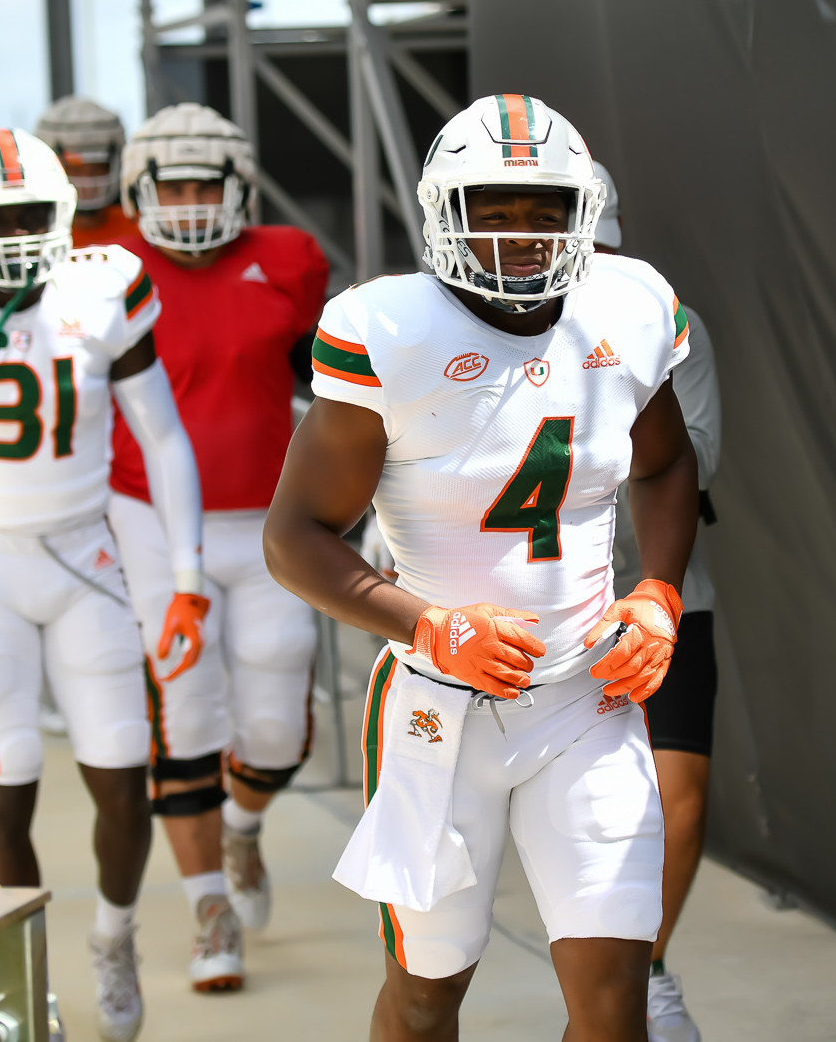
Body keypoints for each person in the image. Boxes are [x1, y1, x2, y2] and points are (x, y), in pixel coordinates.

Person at [264, 94, 700, 1042]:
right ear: (441, 210)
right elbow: (294, 534)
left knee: (617, 998)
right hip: (438, 708)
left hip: (586, 695)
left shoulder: (626, 305)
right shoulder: (389, 329)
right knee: (427, 997)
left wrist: (659, 590)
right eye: (494, 207)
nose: (521, 234)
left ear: (583, 214)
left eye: (545, 209)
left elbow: (665, 463)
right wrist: (426, 623)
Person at [0, 128, 207, 1042]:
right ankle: (23, 981)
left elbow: (164, 434)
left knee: (122, 782)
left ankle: (114, 933)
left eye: (32, 213)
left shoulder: (103, 286)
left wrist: (186, 576)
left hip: (86, 555)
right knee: (4, 786)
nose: (17, 233)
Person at [106, 104, 329, 990]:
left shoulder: (289, 260)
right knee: (186, 703)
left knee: (276, 717)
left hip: (268, 515)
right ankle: (207, 905)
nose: (192, 201)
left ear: (238, 186)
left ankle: (243, 824)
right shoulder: (110, 270)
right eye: (176, 185)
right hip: (152, 521)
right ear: (141, 190)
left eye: (206, 183)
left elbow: (330, 387)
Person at [591, 164, 721, 1042]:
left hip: (656, 591)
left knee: (679, 796)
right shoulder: (463, 328)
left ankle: (650, 969)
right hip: (525, 605)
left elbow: (694, 460)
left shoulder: (660, 318)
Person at [35, 96, 141, 249]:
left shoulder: (143, 228)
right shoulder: (34, 236)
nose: (87, 180)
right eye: (75, 168)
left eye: (99, 167)